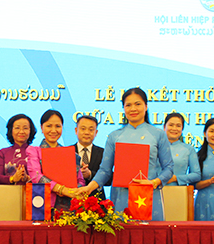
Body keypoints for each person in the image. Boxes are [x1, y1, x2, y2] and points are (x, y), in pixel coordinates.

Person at [77, 88, 174, 220]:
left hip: (149, 196)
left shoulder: (158, 134)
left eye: (137, 104)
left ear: (146, 106)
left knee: (150, 238)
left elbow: (168, 168)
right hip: (122, 197)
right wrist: (89, 188)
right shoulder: (114, 136)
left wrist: (154, 182)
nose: (133, 108)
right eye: (128, 105)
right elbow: (105, 170)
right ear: (123, 108)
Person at [27, 109, 85, 211]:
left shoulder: (70, 153)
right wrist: (62, 189)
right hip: (43, 206)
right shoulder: (34, 151)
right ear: (42, 127)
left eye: (58, 126)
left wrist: (72, 191)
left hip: (69, 208)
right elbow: (36, 177)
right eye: (49, 126)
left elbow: (80, 181)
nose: (53, 130)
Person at [0, 113, 36, 185]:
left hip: (33, 194)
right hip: (8, 194)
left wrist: (27, 178)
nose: (21, 131)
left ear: (30, 131)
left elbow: (42, 177)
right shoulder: (3, 152)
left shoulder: (36, 152)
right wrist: (13, 178)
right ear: (11, 131)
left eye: (25, 128)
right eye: (17, 128)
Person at [73, 114, 109, 199]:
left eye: (91, 129)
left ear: (96, 133)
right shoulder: (67, 152)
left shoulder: (104, 153)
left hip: (97, 202)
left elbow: (109, 179)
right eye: (83, 129)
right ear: (76, 130)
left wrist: (90, 174)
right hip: (72, 201)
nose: (86, 132)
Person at [163, 112, 201, 186]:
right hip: (155, 191)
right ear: (164, 127)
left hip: (178, 192)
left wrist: (176, 178)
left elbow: (196, 175)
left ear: (182, 129)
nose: (174, 128)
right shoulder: (155, 147)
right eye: (171, 125)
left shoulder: (188, 149)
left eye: (178, 126)